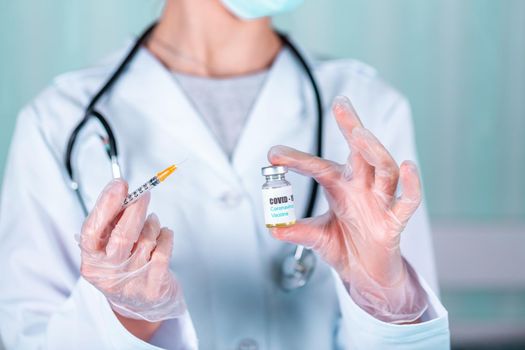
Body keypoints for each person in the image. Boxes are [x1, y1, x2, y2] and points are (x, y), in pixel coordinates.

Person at [0, 0, 450, 349]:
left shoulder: (368, 106)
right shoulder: (58, 121)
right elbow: (30, 337)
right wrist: (129, 317)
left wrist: (385, 299)